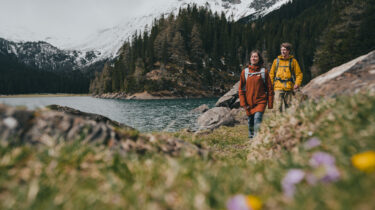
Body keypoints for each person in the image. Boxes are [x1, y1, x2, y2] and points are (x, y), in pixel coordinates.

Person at [239, 50, 274, 139]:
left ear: (259, 59)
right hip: (248, 102)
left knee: (257, 119)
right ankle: (251, 136)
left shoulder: (263, 72)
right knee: (250, 120)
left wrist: (270, 103)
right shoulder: (245, 72)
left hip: (261, 101)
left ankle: (256, 138)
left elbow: (270, 88)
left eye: (256, 57)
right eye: (252, 57)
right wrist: (243, 104)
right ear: (250, 59)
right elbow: (241, 90)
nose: (253, 58)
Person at [269, 42, 303, 113]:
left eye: (284, 50)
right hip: (278, 87)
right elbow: (271, 74)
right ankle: (278, 123)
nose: (283, 51)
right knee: (278, 107)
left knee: (289, 107)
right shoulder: (276, 61)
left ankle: (288, 122)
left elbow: (299, 74)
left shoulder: (293, 61)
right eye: (282, 50)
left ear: (288, 51)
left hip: (289, 87)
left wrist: (297, 83)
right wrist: (270, 84)